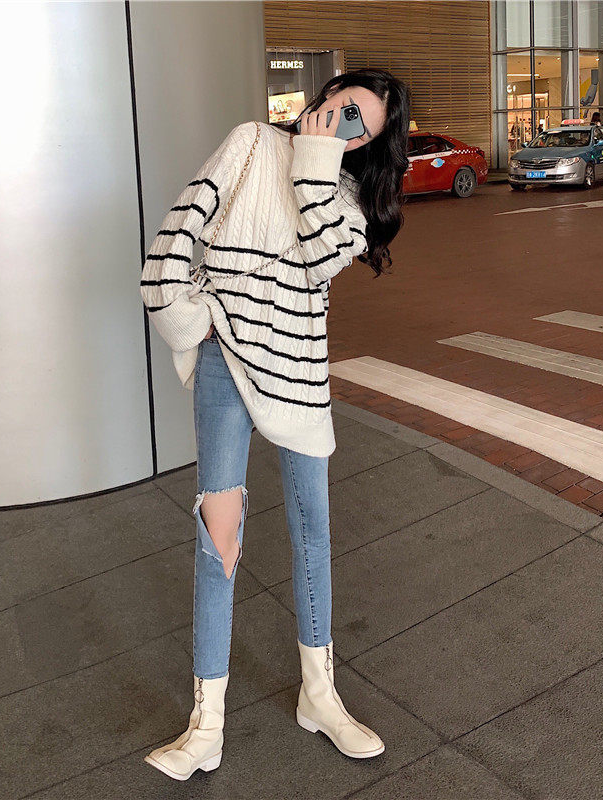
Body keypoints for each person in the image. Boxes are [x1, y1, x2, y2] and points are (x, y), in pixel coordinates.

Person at [139, 68, 410, 781]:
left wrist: (318, 160)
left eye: (360, 127)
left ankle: (319, 695)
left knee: (312, 532)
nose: (343, 124)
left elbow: (317, 262)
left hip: (299, 378)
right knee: (218, 539)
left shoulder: (349, 205)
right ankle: (206, 725)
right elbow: (181, 224)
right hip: (227, 365)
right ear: (325, 94)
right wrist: (180, 312)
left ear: (366, 146)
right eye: (343, 106)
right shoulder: (252, 142)